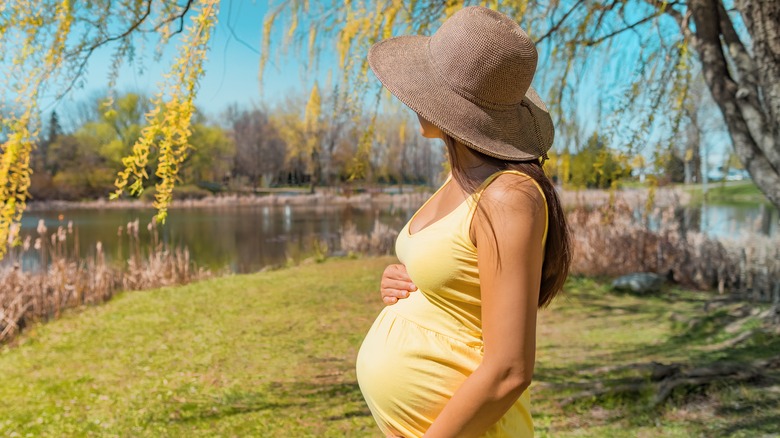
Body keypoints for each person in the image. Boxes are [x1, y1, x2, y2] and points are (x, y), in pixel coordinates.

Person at [355, 6, 572, 438]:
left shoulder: (509, 196)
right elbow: (461, 282)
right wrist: (408, 283)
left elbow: (510, 370)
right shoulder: (463, 179)